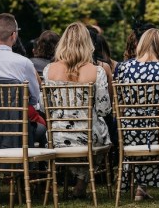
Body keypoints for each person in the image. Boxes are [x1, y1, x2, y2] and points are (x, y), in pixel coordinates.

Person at [42, 22, 112, 198]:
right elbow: (104, 110)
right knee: (100, 133)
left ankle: (62, 184)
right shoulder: (97, 71)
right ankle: (81, 183)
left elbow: (44, 108)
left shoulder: (49, 70)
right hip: (87, 136)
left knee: (82, 135)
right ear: (88, 44)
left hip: (56, 136)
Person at [116, 28, 159, 200]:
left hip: (128, 131)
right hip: (157, 130)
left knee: (145, 131)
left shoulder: (122, 68)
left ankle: (140, 187)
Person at [0, 13, 46, 148]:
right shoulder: (24, 63)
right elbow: (34, 99)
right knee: (42, 129)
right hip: (17, 129)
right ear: (14, 35)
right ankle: (32, 166)